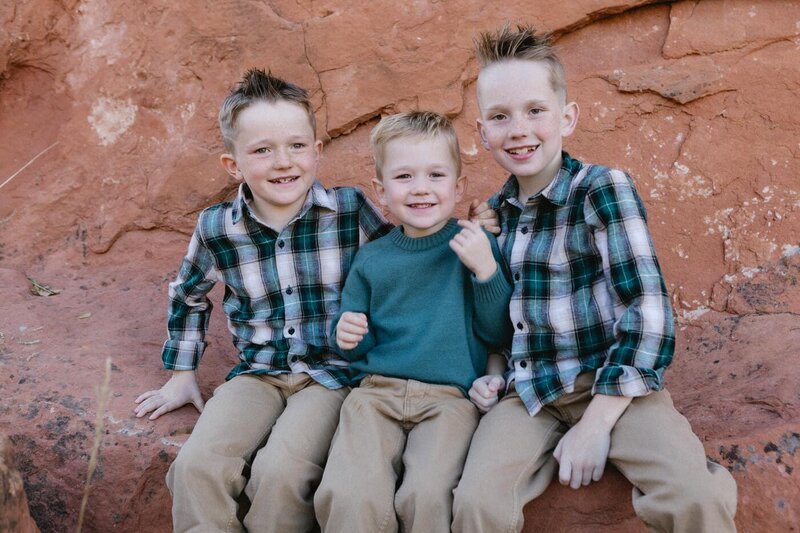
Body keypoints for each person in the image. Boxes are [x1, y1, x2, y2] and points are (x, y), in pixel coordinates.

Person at [452, 24, 738, 533]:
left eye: (535, 110)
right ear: (481, 132)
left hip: (612, 384)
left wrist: (595, 426)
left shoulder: (602, 189)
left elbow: (648, 313)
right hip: (530, 393)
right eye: (500, 116)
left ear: (567, 117)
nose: (518, 129)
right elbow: (501, 325)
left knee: (693, 495)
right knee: (475, 503)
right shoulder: (494, 215)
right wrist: (494, 369)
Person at [131, 68, 395, 532]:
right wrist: (182, 373)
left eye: (296, 146)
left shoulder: (350, 211)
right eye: (261, 150)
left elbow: (401, 264)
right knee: (196, 468)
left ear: (316, 150)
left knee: (281, 473)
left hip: (331, 375)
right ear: (232, 164)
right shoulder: (218, 228)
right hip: (258, 373)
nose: (282, 162)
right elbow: (188, 295)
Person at [313, 111, 513, 532]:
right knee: (348, 494)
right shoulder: (372, 257)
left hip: (449, 399)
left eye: (436, 175)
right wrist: (349, 334)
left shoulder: (474, 243)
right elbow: (353, 338)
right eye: (403, 177)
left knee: (427, 495)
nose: (421, 189)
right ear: (380, 191)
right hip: (374, 395)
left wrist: (485, 272)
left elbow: (497, 333)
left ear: (457, 187)